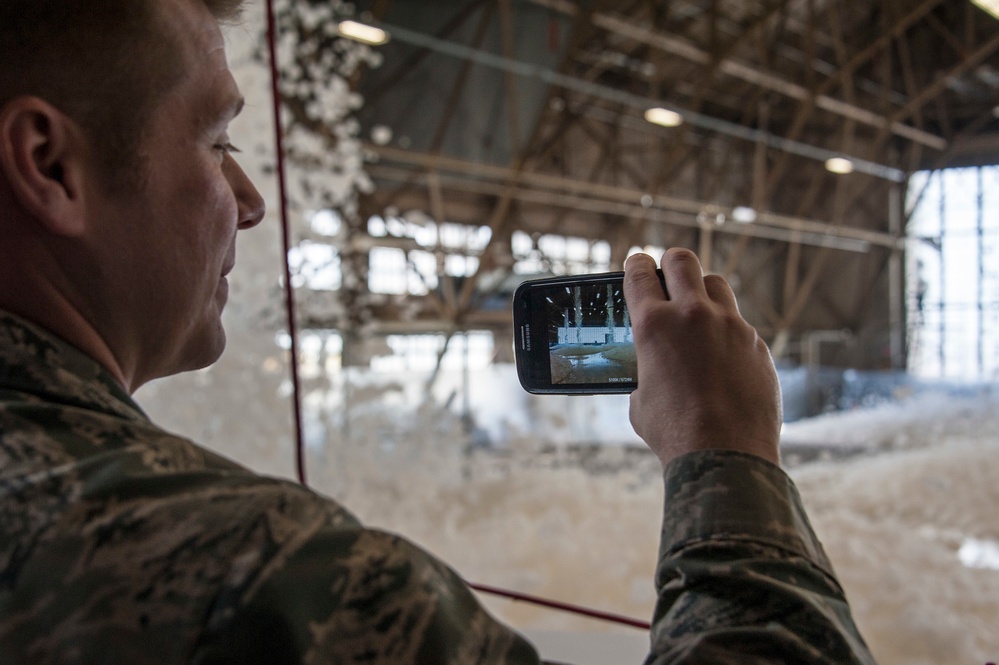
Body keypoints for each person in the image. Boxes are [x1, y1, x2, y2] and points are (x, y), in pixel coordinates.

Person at [0, 0, 875, 663]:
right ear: (50, 164)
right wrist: (727, 456)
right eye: (218, 141)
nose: (253, 201)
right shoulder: (278, 578)